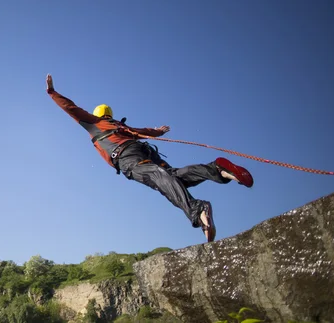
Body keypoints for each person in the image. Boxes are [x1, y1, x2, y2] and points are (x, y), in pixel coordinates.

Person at [45, 74, 253, 242]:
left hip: (126, 157)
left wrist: (53, 92)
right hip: (144, 150)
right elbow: (143, 131)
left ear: (98, 114)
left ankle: (197, 210)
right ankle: (218, 169)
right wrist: (157, 132)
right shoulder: (121, 126)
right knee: (173, 176)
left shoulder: (94, 123)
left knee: (158, 176)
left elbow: (71, 108)